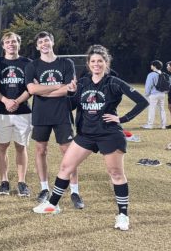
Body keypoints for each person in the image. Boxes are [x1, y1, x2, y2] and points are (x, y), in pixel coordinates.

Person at [33, 45, 148, 231]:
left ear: (106, 63)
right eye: (93, 61)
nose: (96, 64)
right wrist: (69, 92)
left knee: (116, 174)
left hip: (109, 134)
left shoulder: (114, 82)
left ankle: (123, 215)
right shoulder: (83, 83)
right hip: (85, 135)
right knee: (65, 167)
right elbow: (70, 105)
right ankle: (53, 205)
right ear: (88, 64)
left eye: (100, 61)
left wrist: (122, 119)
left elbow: (143, 101)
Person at [25, 31, 84, 209]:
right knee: (41, 150)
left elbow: (69, 90)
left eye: (47, 41)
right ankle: (44, 188)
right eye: (40, 42)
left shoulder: (66, 63)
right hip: (41, 114)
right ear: (37, 46)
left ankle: (74, 191)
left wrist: (44, 89)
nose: (44, 44)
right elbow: (32, 90)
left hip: (62, 113)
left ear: (52, 42)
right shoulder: (32, 65)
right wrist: (59, 86)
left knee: (68, 152)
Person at [0, 32, 32, 197]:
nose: (11, 44)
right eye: (7, 42)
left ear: (19, 44)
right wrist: (5, 101)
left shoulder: (27, 63)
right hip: (2, 111)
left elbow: (31, 87)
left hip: (23, 111)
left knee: (21, 146)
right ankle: (4, 181)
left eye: (14, 41)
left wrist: (16, 101)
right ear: (3, 46)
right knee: (2, 146)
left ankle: (22, 182)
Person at [142, 60, 167, 129]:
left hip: (154, 95)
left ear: (154, 66)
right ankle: (163, 125)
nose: (151, 66)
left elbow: (148, 86)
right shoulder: (163, 74)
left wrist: (146, 94)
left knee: (151, 109)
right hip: (162, 94)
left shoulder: (151, 74)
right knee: (162, 109)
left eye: (152, 65)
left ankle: (150, 125)